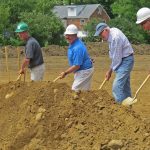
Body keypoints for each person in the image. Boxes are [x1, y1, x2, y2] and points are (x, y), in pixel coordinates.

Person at [94, 23, 134, 103]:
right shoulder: (111, 35)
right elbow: (114, 56)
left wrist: (110, 71)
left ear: (106, 30)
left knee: (116, 87)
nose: (100, 36)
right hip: (123, 59)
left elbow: (116, 58)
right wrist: (110, 70)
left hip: (126, 60)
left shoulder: (115, 37)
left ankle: (121, 110)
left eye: (101, 33)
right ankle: (129, 111)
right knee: (125, 87)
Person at [59, 24, 94, 91]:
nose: (67, 37)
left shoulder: (77, 47)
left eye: (69, 35)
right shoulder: (73, 43)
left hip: (84, 71)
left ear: (75, 35)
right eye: (66, 35)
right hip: (82, 70)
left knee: (75, 90)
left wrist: (65, 73)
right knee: (83, 92)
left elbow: (77, 66)